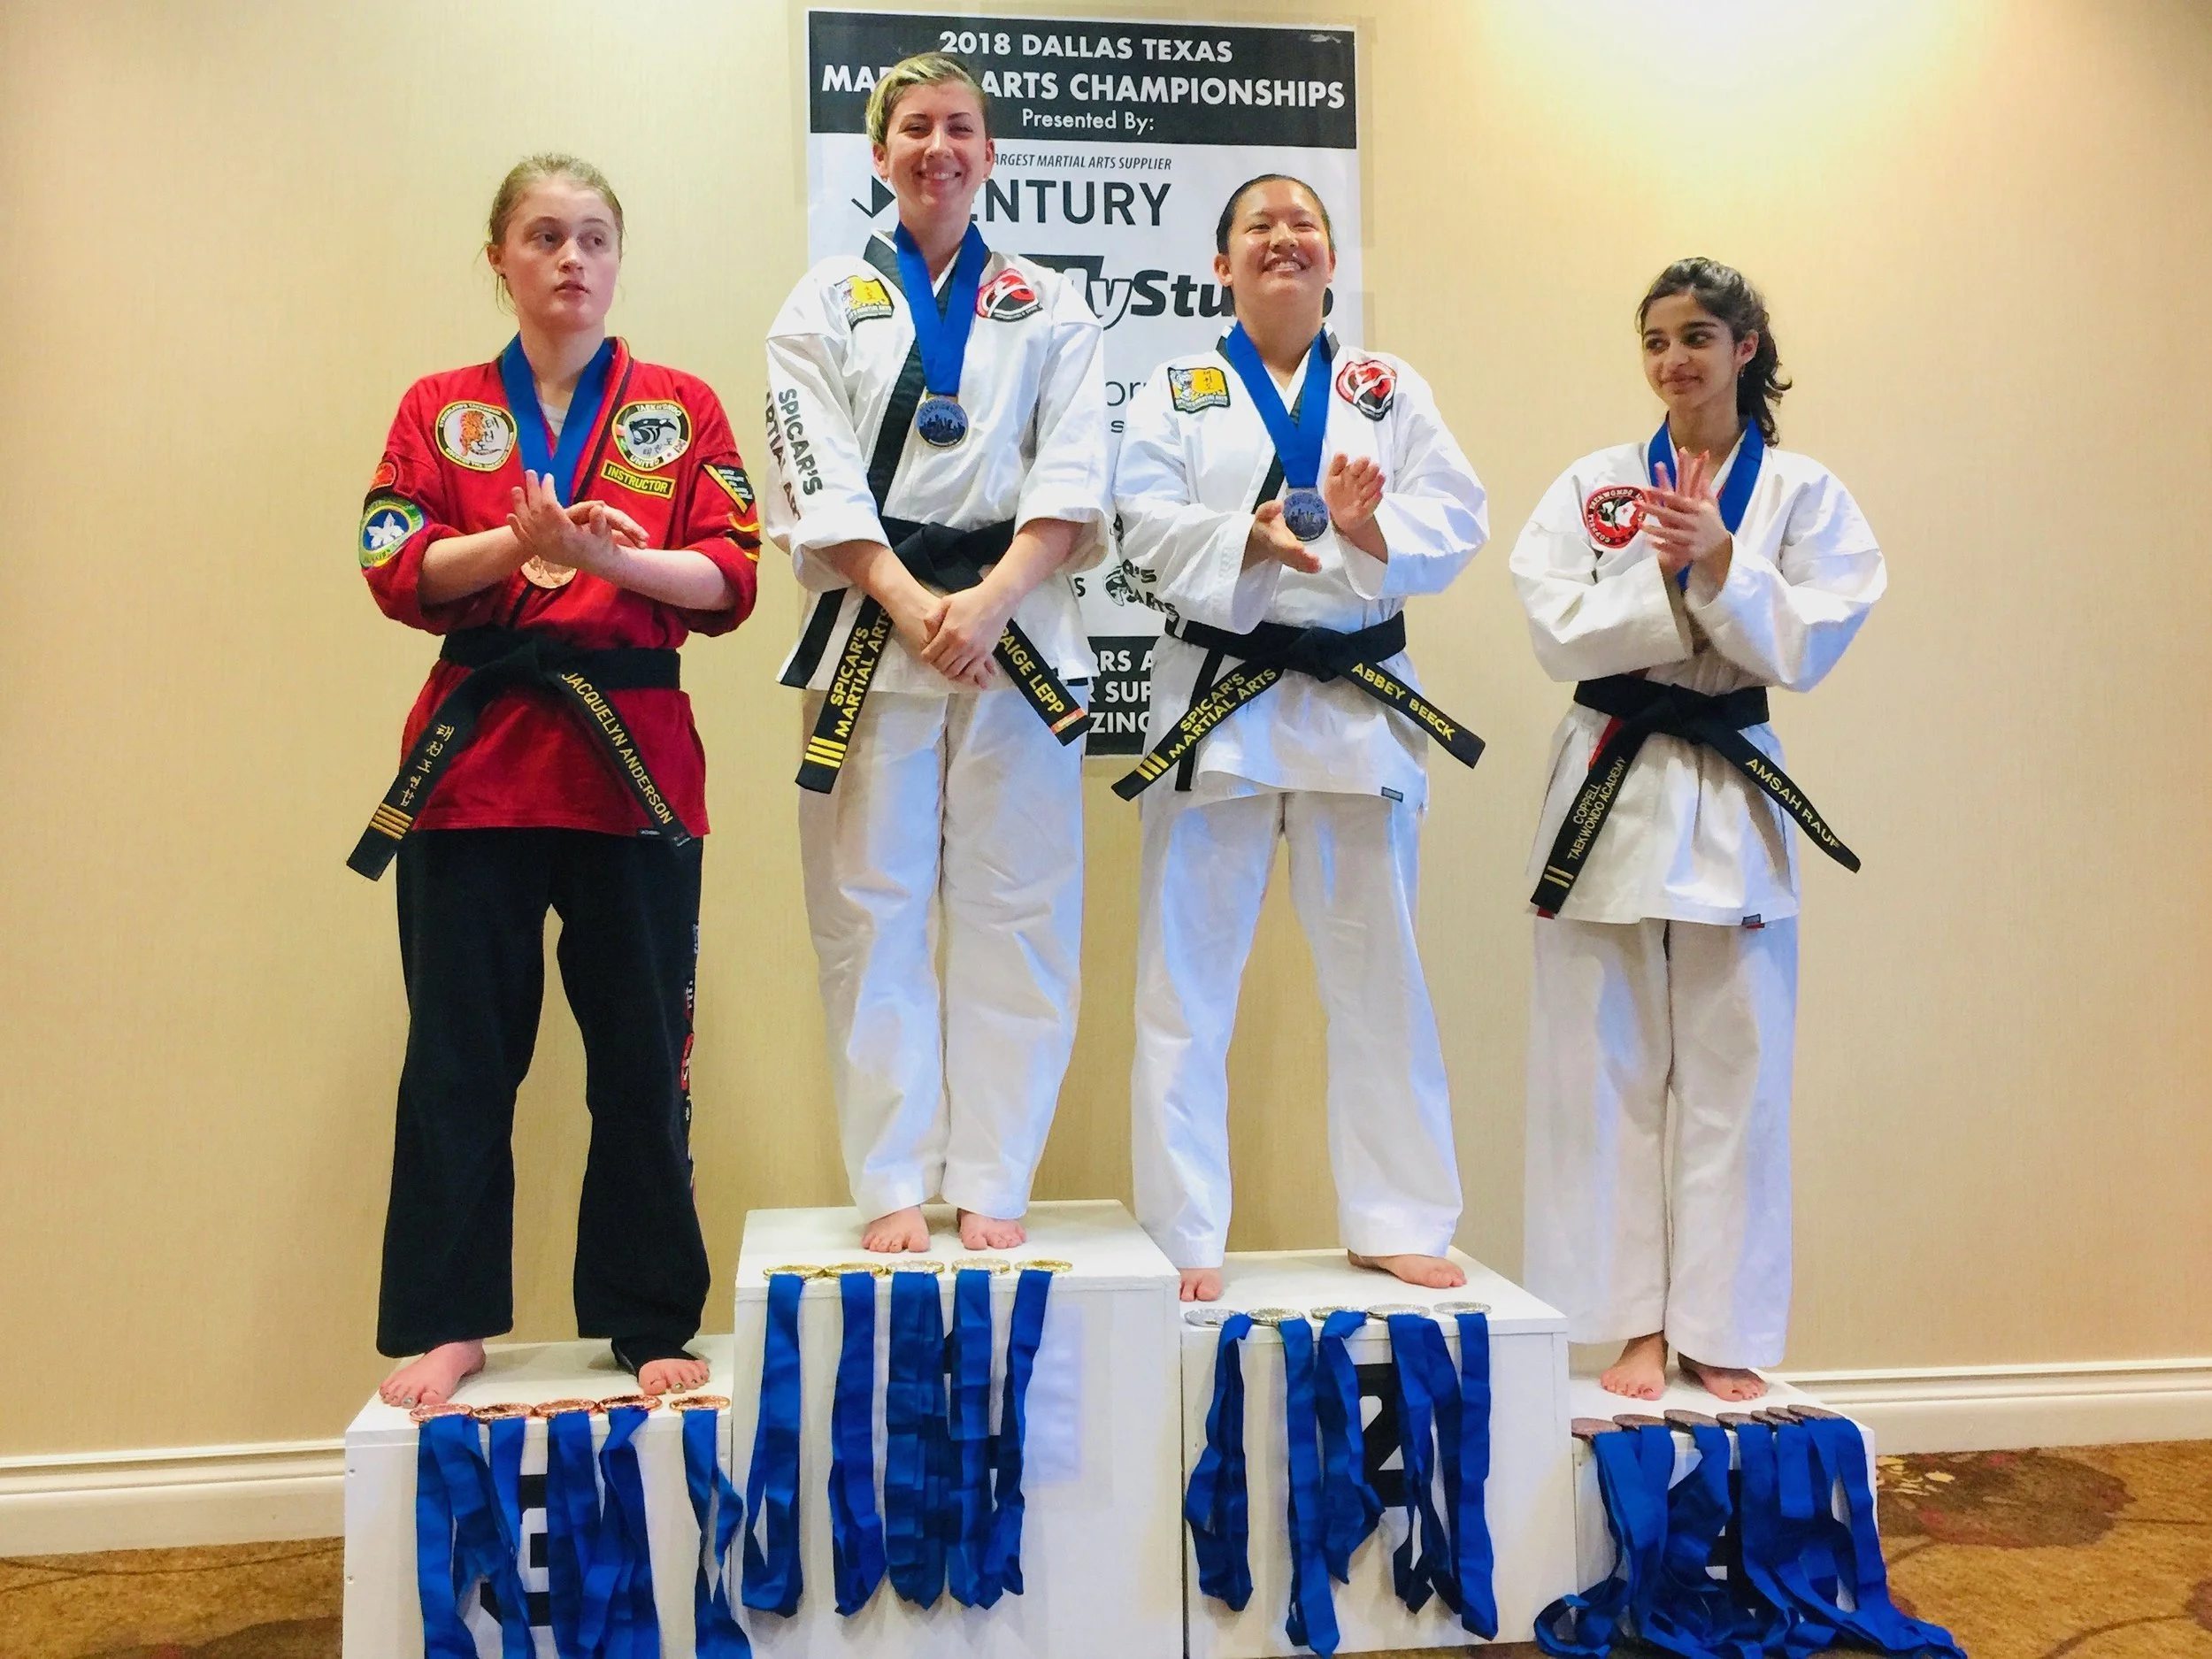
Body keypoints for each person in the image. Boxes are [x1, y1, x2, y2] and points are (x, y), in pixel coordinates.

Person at [357, 154, 761, 1408]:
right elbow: (394, 562)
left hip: (632, 763)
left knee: (643, 1055)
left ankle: (645, 1315)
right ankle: (448, 1320)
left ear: (617, 259)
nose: (571, 258)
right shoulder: (440, 409)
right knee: (459, 1056)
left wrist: (606, 560)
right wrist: (521, 544)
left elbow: (731, 575)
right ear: (500, 259)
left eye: (593, 236)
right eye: (543, 235)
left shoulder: (681, 407)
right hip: (475, 764)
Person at [1511, 257, 1885, 1402]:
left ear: (1745, 348)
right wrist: (1669, 588)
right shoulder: (1595, 483)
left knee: (1738, 1067)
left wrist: (1721, 558)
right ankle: (1625, 1323)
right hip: (1610, 771)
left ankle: (1718, 1325)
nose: (1674, 359)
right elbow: (1552, 623)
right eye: (1656, 340)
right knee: (1598, 1065)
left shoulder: (1805, 493)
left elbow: (1813, 639)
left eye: (1697, 337)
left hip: (1730, 772)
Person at [1113, 174, 1488, 1302]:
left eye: (1303, 226)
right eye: (1258, 227)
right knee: (1184, 981)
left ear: (1332, 260)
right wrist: (1247, 539)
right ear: (1220, 265)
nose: (1283, 239)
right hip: (1221, 701)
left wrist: (1369, 528)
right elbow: (1138, 524)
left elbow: (1456, 513)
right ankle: (1183, 1231)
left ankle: (1397, 1216)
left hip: (1355, 704)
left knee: (1381, 973)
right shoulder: (1173, 390)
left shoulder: (1386, 386)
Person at [759, 54, 1108, 1255]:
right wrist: (912, 603)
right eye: (915, 127)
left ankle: (997, 1173)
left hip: (1017, 630)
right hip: (877, 622)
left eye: (960, 126)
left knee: (1021, 904)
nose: (938, 147)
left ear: (990, 152)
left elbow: (1076, 468)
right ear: (879, 153)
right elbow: (811, 469)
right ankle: (895, 1177)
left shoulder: (1053, 306)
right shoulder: (820, 304)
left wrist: (993, 599)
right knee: (872, 911)